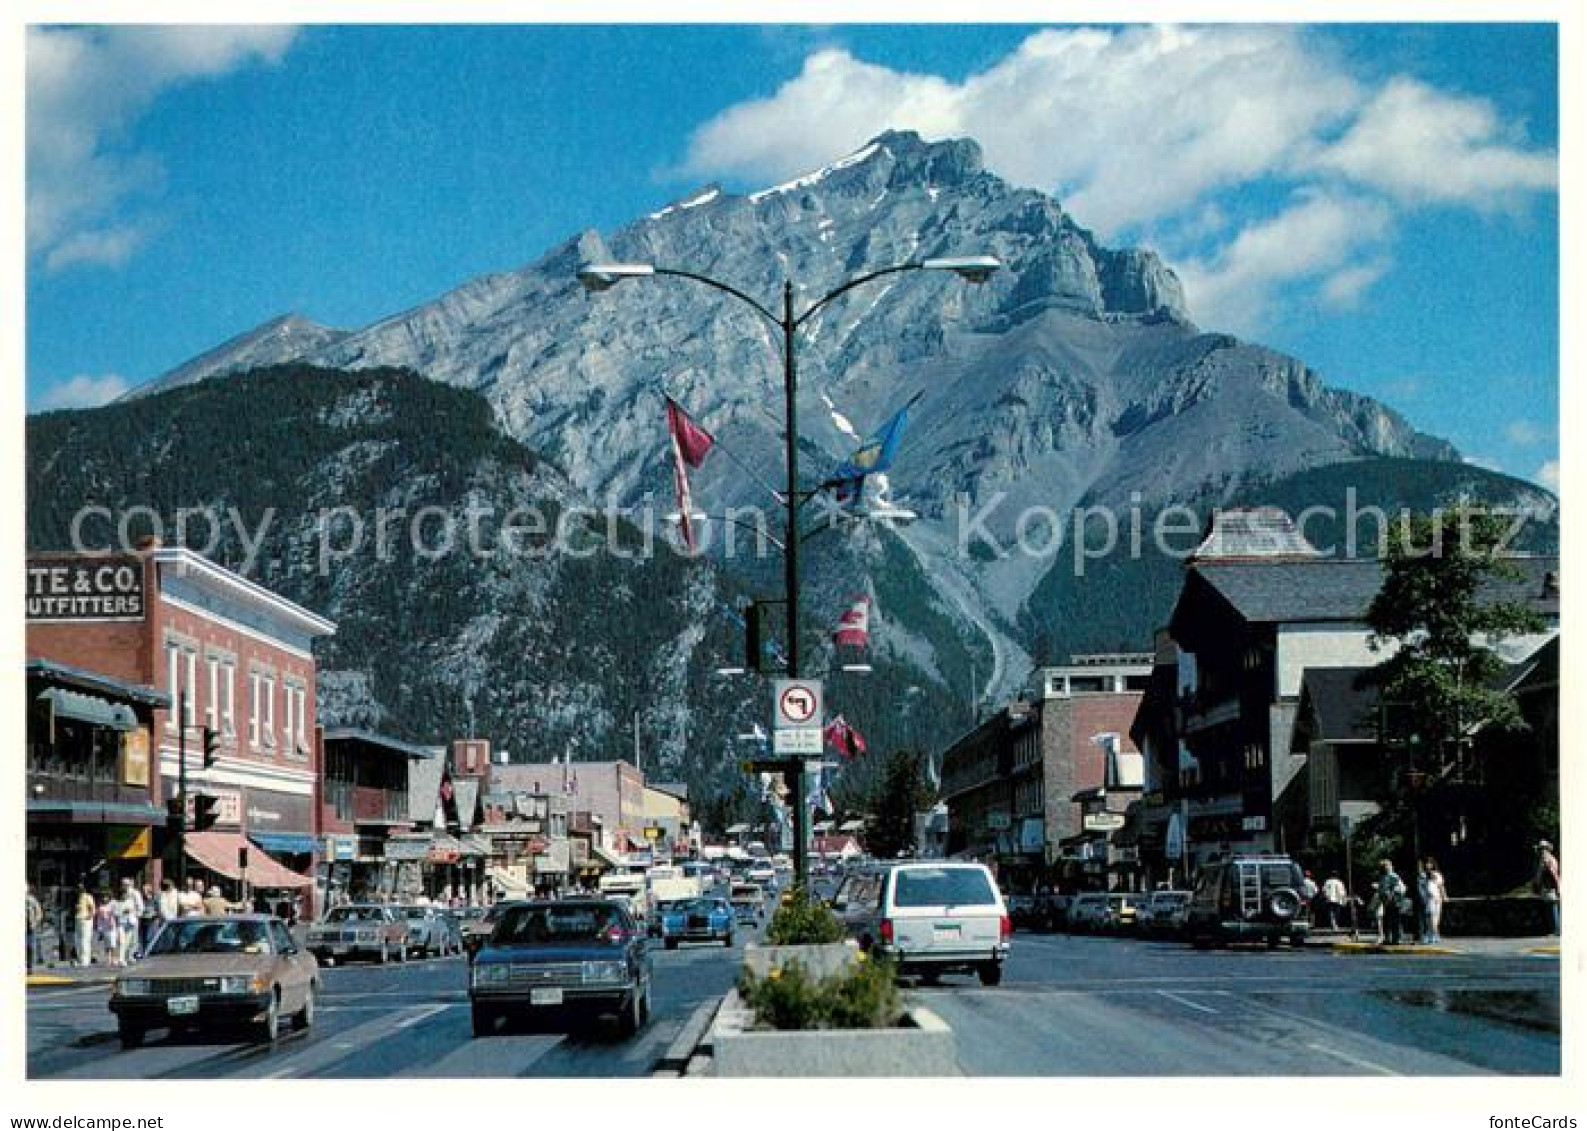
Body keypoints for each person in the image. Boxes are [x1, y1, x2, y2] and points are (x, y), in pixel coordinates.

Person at [1373, 859, 1406, 945]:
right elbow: (1382, 889)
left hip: (1394, 901)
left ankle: (1396, 939)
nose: (1384, 867)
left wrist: (1389, 897)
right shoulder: (1383, 876)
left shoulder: (1393, 876)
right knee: (1388, 920)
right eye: (1383, 866)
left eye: (1385, 866)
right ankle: (1388, 938)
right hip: (1387, 902)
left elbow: (1394, 888)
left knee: (1394, 920)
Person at [1418, 858, 1448, 944]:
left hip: (1437, 899)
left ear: (1433, 864)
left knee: (1436, 918)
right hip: (1428, 899)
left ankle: (1433, 935)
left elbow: (1441, 886)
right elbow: (1421, 888)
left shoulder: (1437, 874)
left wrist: (1444, 896)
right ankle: (1431, 935)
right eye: (1426, 863)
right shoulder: (1422, 875)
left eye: (1430, 863)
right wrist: (1423, 898)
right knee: (1430, 917)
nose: (1428, 865)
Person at [1535, 840, 1561, 935]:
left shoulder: (1546, 859)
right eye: (1541, 848)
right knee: (1551, 907)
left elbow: (1552, 873)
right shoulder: (1550, 858)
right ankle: (1555, 929)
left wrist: (1557, 886)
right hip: (1549, 886)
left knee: (1552, 907)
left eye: (1543, 848)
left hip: (1549, 886)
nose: (1541, 850)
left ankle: (1556, 930)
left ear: (1547, 849)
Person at [114, 879, 143, 965]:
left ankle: (129, 956)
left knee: (132, 941)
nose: (125, 886)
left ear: (130, 884)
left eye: (127, 884)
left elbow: (140, 907)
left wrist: (135, 914)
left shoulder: (135, 893)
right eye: (123, 884)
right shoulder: (118, 897)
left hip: (132, 921)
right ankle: (121, 959)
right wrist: (122, 911)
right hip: (121, 922)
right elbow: (115, 911)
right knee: (122, 941)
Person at [74, 886, 96, 966]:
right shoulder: (78, 898)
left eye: (80, 888)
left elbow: (92, 908)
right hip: (78, 919)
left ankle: (85, 961)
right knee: (78, 941)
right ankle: (80, 959)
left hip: (85, 920)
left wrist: (89, 916)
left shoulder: (87, 896)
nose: (79, 890)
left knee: (84, 941)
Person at [26, 885, 44, 973]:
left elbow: (39, 913)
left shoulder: (31, 900)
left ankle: (29, 967)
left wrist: (35, 923)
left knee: (29, 947)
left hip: (29, 927)